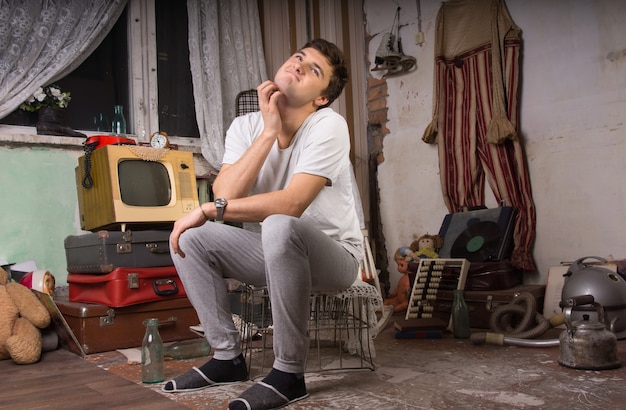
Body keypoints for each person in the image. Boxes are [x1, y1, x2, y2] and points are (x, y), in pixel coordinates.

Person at [162, 38, 363, 410]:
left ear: (321, 97)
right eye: (298, 58)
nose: (298, 66)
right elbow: (225, 190)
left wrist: (208, 209)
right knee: (192, 236)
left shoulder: (329, 125)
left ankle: (289, 373)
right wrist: (268, 132)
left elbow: (292, 203)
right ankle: (226, 359)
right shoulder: (246, 126)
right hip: (275, 255)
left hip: (335, 258)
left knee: (279, 222)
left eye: (313, 71)